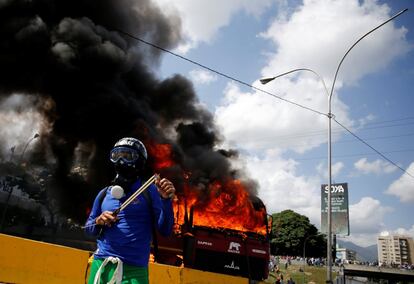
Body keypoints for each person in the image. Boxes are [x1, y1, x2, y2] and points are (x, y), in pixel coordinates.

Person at [84, 137, 176, 284]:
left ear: (139, 161)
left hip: (134, 271)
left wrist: (166, 201)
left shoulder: (150, 191)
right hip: (101, 265)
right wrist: (98, 221)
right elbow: (88, 229)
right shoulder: (104, 194)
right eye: (117, 155)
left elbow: (165, 230)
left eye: (128, 156)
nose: (121, 161)